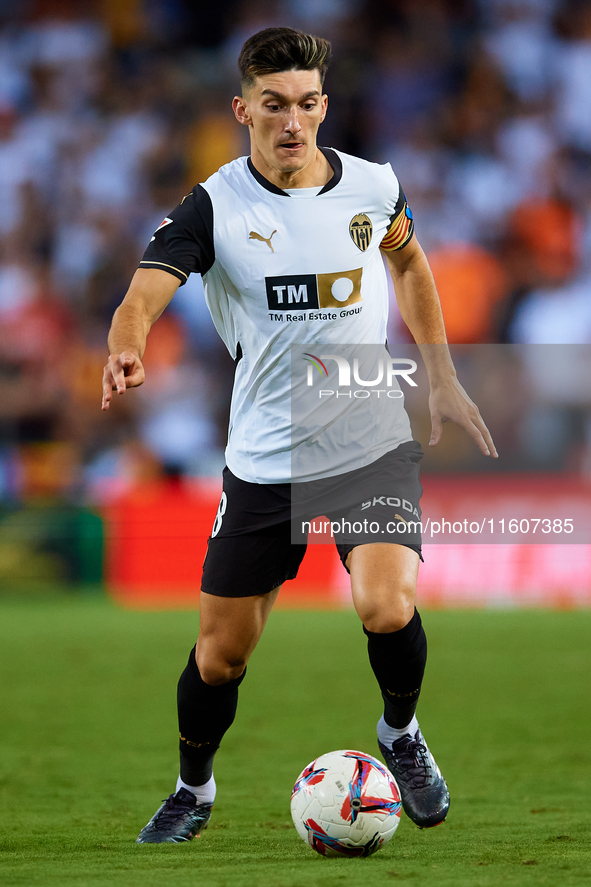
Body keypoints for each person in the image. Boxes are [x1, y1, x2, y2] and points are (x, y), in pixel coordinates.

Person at [102, 27, 497, 844]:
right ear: (242, 109)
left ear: (325, 105)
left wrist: (443, 376)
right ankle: (194, 788)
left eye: (308, 104)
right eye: (274, 106)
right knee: (221, 658)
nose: (292, 123)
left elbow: (411, 263)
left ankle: (400, 736)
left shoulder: (371, 186)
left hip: (369, 440)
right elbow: (143, 293)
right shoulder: (214, 206)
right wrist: (126, 344)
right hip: (265, 458)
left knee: (386, 605)